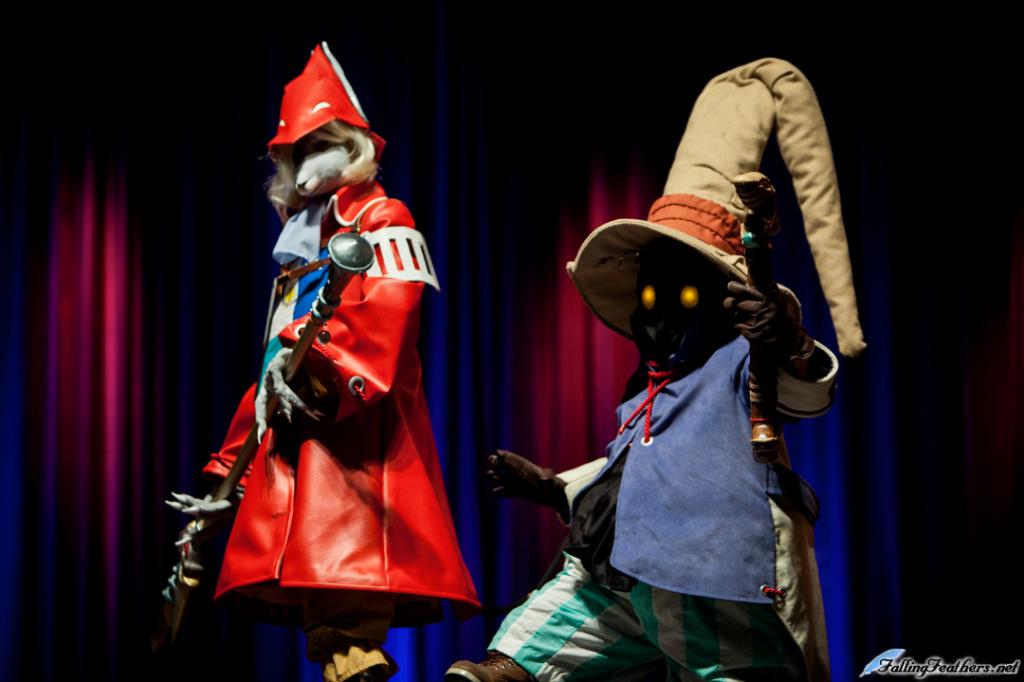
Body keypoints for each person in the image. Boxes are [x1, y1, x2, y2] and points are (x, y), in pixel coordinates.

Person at [446, 58, 866, 682]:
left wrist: (786, 339)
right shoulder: (643, 387)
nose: (656, 312)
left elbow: (805, 390)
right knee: (514, 659)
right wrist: (555, 487)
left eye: (681, 295)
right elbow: (634, 466)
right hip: (617, 569)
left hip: (711, 569)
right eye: (648, 295)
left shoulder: (738, 358)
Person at [166, 43, 479, 682]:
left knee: (348, 605)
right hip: (299, 451)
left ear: (350, 144)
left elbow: (386, 319)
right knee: (331, 628)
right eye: (297, 151)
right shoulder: (299, 250)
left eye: (319, 145)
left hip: (352, 446)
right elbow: (273, 365)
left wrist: (320, 363)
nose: (307, 165)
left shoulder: (382, 217)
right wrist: (230, 470)